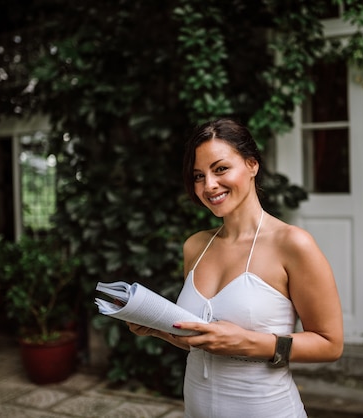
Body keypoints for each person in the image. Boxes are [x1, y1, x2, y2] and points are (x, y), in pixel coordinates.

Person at [128, 118, 343, 417]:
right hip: (197, 407)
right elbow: (203, 343)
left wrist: (248, 343)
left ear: (252, 164)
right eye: (198, 176)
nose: (209, 185)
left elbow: (330, 345)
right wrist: (159, 329)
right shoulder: (195, 246)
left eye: (220, 169)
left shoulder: (292, 243)